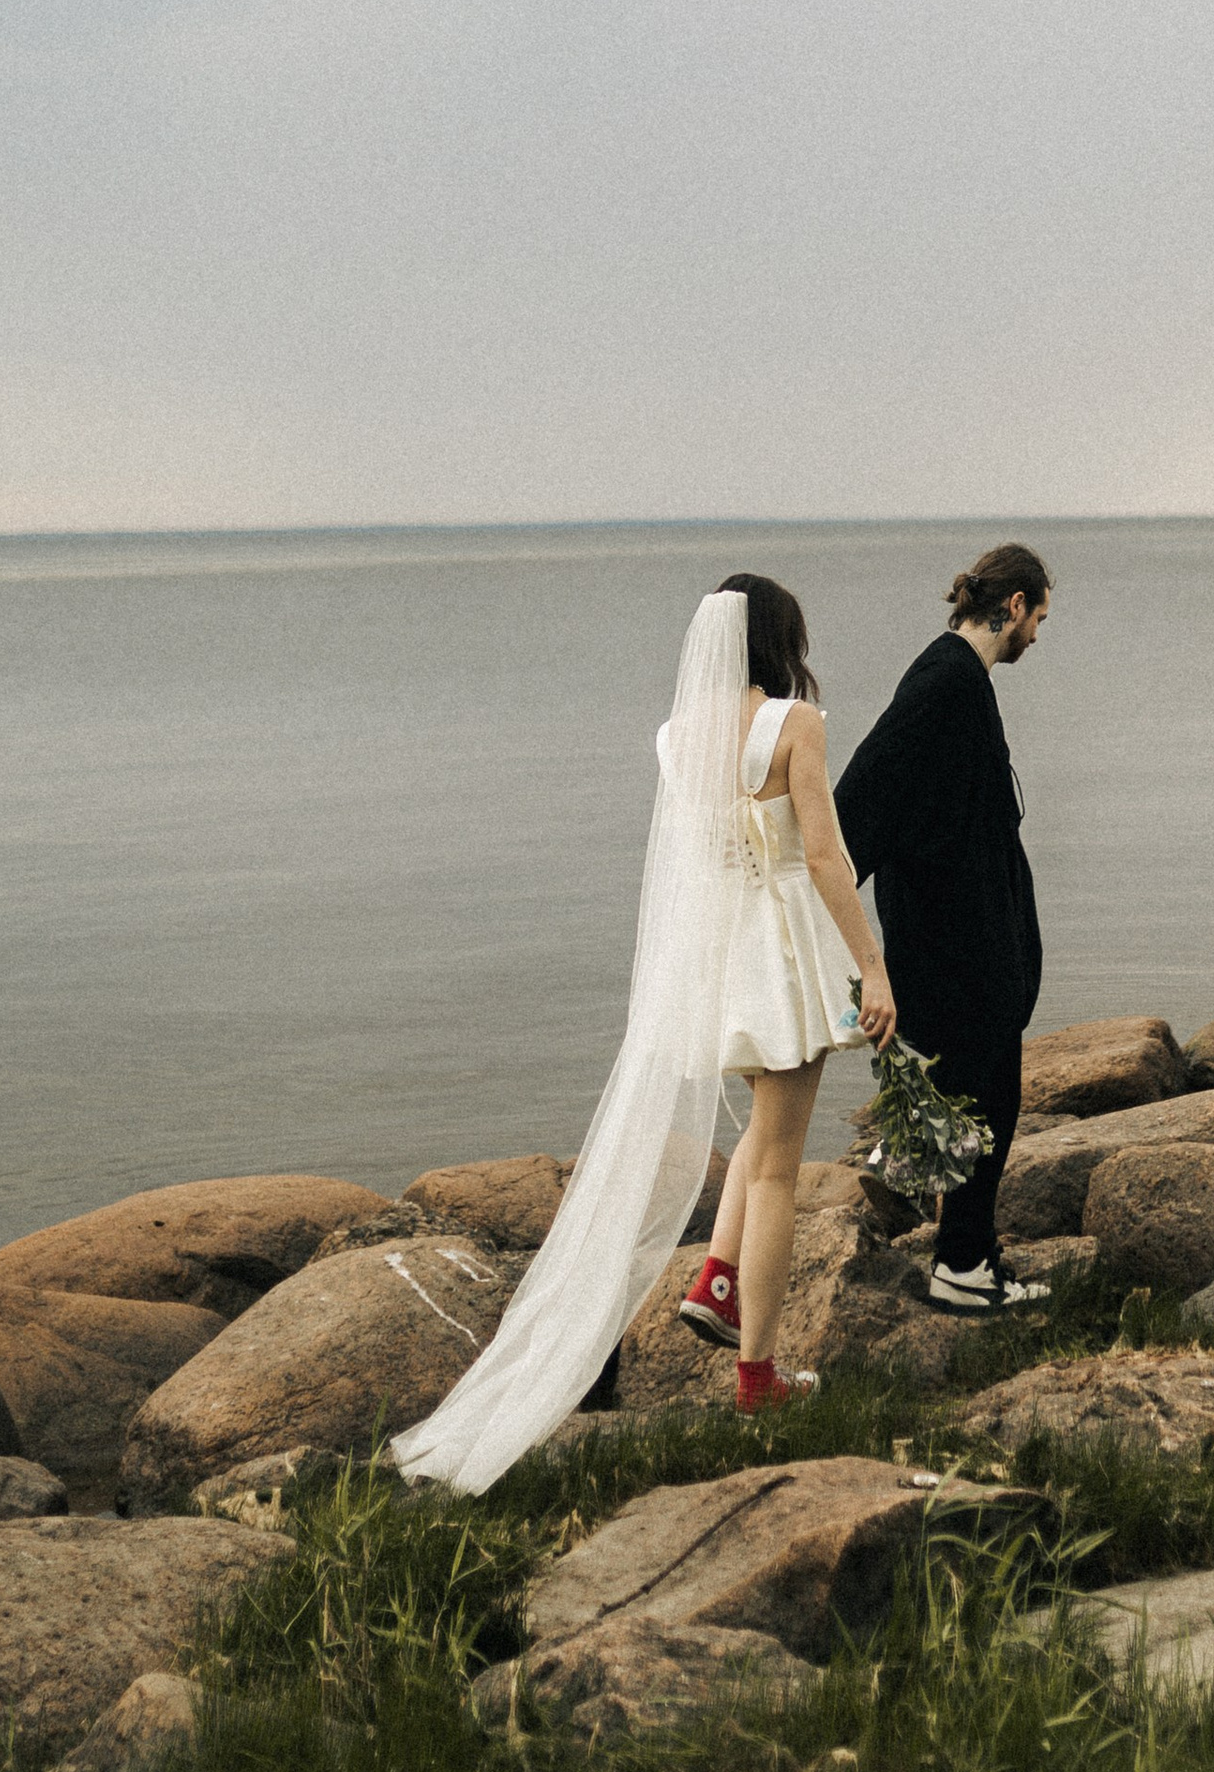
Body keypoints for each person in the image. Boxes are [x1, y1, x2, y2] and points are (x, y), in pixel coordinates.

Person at [393, 572, 895, 1489]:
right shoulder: (794, 725)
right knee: (781, 1160)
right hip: (783, 955)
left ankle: (713, 1278)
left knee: (761, 1132)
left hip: (716, 963)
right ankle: (758, 1376)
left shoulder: (676, 738)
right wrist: (874, 963)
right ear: (780, 639)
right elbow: (824, 855)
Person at [836, 543, 1053, 1317]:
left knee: (990, 1097)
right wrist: (856, 949)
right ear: (1016, 605)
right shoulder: (945, 683)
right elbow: (859, 803)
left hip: (971, 950)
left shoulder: (960, 681)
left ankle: (969, 1257)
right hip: (956, 954)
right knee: (987, 1101)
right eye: (1041, 618)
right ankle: (960, 1262)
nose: (1039, 636)